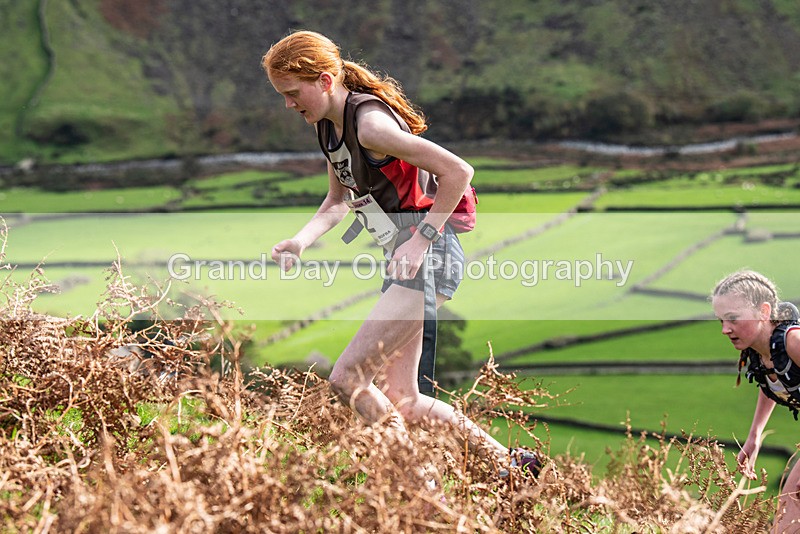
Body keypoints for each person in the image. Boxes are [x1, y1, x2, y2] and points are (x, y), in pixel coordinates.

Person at [261, 30, 539, 480]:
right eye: (283, 95)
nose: (289, 105)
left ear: (326, 80)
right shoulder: (328, 128)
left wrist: (421, 238)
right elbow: (337, 200)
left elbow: (458, 170)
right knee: (403, 398)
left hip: (429, 256)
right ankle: (512, 466)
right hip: (406, 260)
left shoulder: (370, 125)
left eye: (293, 93)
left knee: (347, 379)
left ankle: (422, 484)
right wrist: (301, 240)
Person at [712, 270, 800, 531]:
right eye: (721, 321)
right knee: (790, 506)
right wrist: (755, 435)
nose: (725, 329)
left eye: (733, 319)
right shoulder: (758, 351)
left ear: (763, 311)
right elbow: (773, 382)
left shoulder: (793, 342)